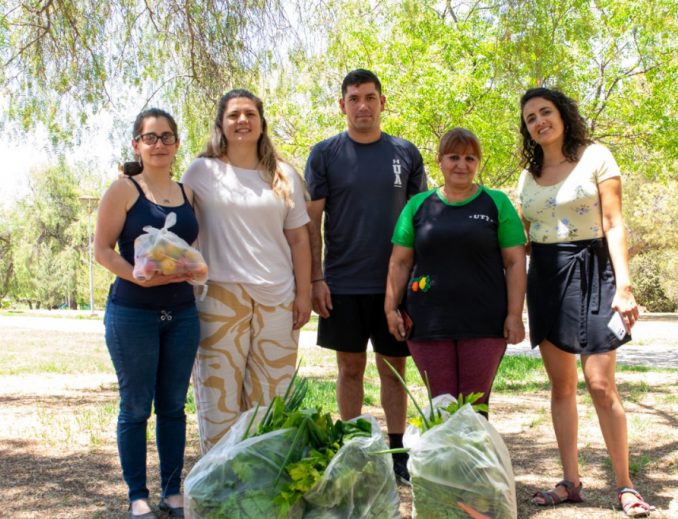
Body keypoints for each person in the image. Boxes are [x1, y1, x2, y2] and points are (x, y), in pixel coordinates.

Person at [517, 87, 650, 517]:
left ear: (562, 114)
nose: (539, 121)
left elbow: (613, 223)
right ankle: (570, 482)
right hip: (547, 279)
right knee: (562, 385)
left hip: (594, 270)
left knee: (599, 384)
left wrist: (624, 286)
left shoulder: (596, 156)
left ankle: (625, 485)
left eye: (546, 112)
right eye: (531, 118)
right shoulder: (527, 177)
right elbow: (525, 243)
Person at [305, 69, 427, 484]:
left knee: (394, 369)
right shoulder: (324, 154)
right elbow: (311, 223)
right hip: (341, 284)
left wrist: (417, 284)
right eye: (354, 98)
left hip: (395, 287)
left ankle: (397, 454)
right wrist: (315, 279)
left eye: (370, 97)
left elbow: (421, 220)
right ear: (342, 105)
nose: (362, 105)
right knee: (350, 368)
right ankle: (354, 450)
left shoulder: (405, 153)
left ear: (382, 102)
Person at [181, 89, 311, 454]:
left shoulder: (284, 175)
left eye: (250, 114)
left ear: (261, 122)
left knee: (271, 402)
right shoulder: (201, 171)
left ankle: (264, 484)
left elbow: (299, 240)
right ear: (221, 124)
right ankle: (219, 487)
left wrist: (303, 294)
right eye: (234, 115)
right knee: (218, 399)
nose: (242, 121)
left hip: (278, 298)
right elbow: (175, 223)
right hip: (219, 297)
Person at [95, 108, 199, 519]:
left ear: (177, 145)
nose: (159, 144)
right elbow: (102, 250)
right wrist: (139, 280)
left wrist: (191, 268)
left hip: (183, 313)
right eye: (150, 137)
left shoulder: (189, 193)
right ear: (136, 144)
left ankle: (172, 490)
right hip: (132, 313)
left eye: (167, 137)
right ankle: (138, 494)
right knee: (136, 406)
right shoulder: (123, 190)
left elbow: (190, 249)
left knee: (173, 406)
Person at [384, 128, 527, 409]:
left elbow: (515, 262)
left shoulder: (497, 203)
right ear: (439, 161)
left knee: (474, 406)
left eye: (470, 158)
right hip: (428, 323)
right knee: (443, 406)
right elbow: (399, 262)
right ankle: (445, 455)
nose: (462, 165)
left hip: (485, 323)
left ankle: (476, 455)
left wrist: (514, 315)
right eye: (454, 157)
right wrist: (390, 309)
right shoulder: (417, 205)